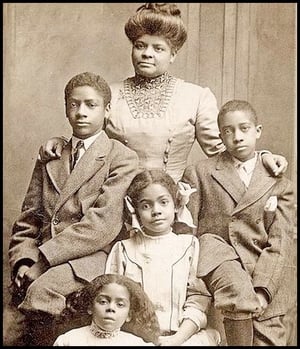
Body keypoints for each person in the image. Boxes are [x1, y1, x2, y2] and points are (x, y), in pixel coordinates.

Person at [38, 3, 288, 183]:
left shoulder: (195, 97)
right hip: (111, 200)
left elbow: (225, 151)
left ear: (173, 54)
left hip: (170, 204)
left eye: (158, 48)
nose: (147, 53)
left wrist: (262, 157)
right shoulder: (109, 94)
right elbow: (87, 140)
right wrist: (62, 143)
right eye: (140, 46)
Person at [4, 72, 139, 346]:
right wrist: (24, 259)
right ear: (66, 108)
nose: (81, 113)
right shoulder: (52, 156)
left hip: (90, 257)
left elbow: (101, 226)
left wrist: (43, 261)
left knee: (42, 292)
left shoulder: (120, 157)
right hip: (43, 254)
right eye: (74, 104)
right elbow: (29, 219)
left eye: (91, 105)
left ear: (107, 109)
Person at [181, 100, 296, 346]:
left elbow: (281, 242)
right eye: (228, 131)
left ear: (258, 131)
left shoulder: (279, 182)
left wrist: (264, 289)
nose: (237, 137)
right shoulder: (200, 173)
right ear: (220, 135)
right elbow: (187, 234)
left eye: (244, 128)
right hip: (221, 278)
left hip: (267, 276)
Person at [105, 169, 221, 346]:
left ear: (176, 205)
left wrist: (177, 339)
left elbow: (198, 300)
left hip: (183, 337)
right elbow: (112, 299)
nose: (156, 211)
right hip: (133, 338)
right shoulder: (123, 249)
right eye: (146, 205)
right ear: (134, 210)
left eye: (163, 202)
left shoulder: (189, 246)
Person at [53, 274, 160, 346]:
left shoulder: (135, 344)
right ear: (90, 307)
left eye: (120, 304)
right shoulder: (69, 341)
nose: (111, 308)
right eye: (103, 302)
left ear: (129, 315)